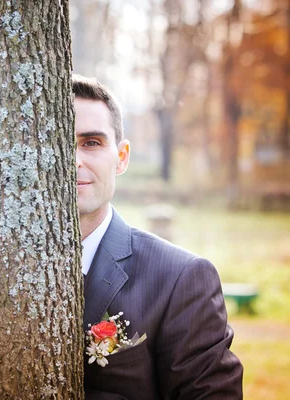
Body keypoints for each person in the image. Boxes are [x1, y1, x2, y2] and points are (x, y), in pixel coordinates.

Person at [73, 75, 243, 399]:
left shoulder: (182, 278)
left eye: (91, 142)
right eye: (56, 142)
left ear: (121, 157)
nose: (74, 160)